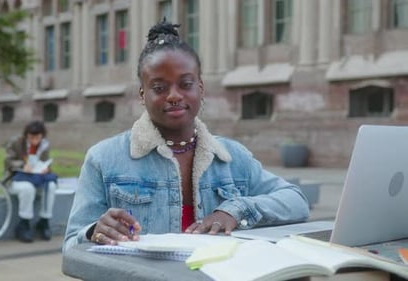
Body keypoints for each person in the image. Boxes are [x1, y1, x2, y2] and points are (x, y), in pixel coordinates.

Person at [63, 20, 309, 249]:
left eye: (186, 84)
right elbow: (71, 245)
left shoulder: (233, 158)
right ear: (142, 95)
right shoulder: (104, 159)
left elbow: (295, 201)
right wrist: (94, 231)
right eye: (159, 88)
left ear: (200, 88)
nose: (174, 95)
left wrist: (234, 210)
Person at [4, 120, 57, 243]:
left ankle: (44, 221)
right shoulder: (16, 142)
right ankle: (24, 224)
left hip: (36, 178)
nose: (34, 140)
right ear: (26, 135)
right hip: (16, 178)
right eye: (31, 137)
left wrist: (46, 168)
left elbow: (46, 163)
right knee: (28, 188)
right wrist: (23, 165)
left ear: (42, 136)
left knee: (51, 185)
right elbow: (7, 161)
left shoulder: (44, 145)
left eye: (37, 137)